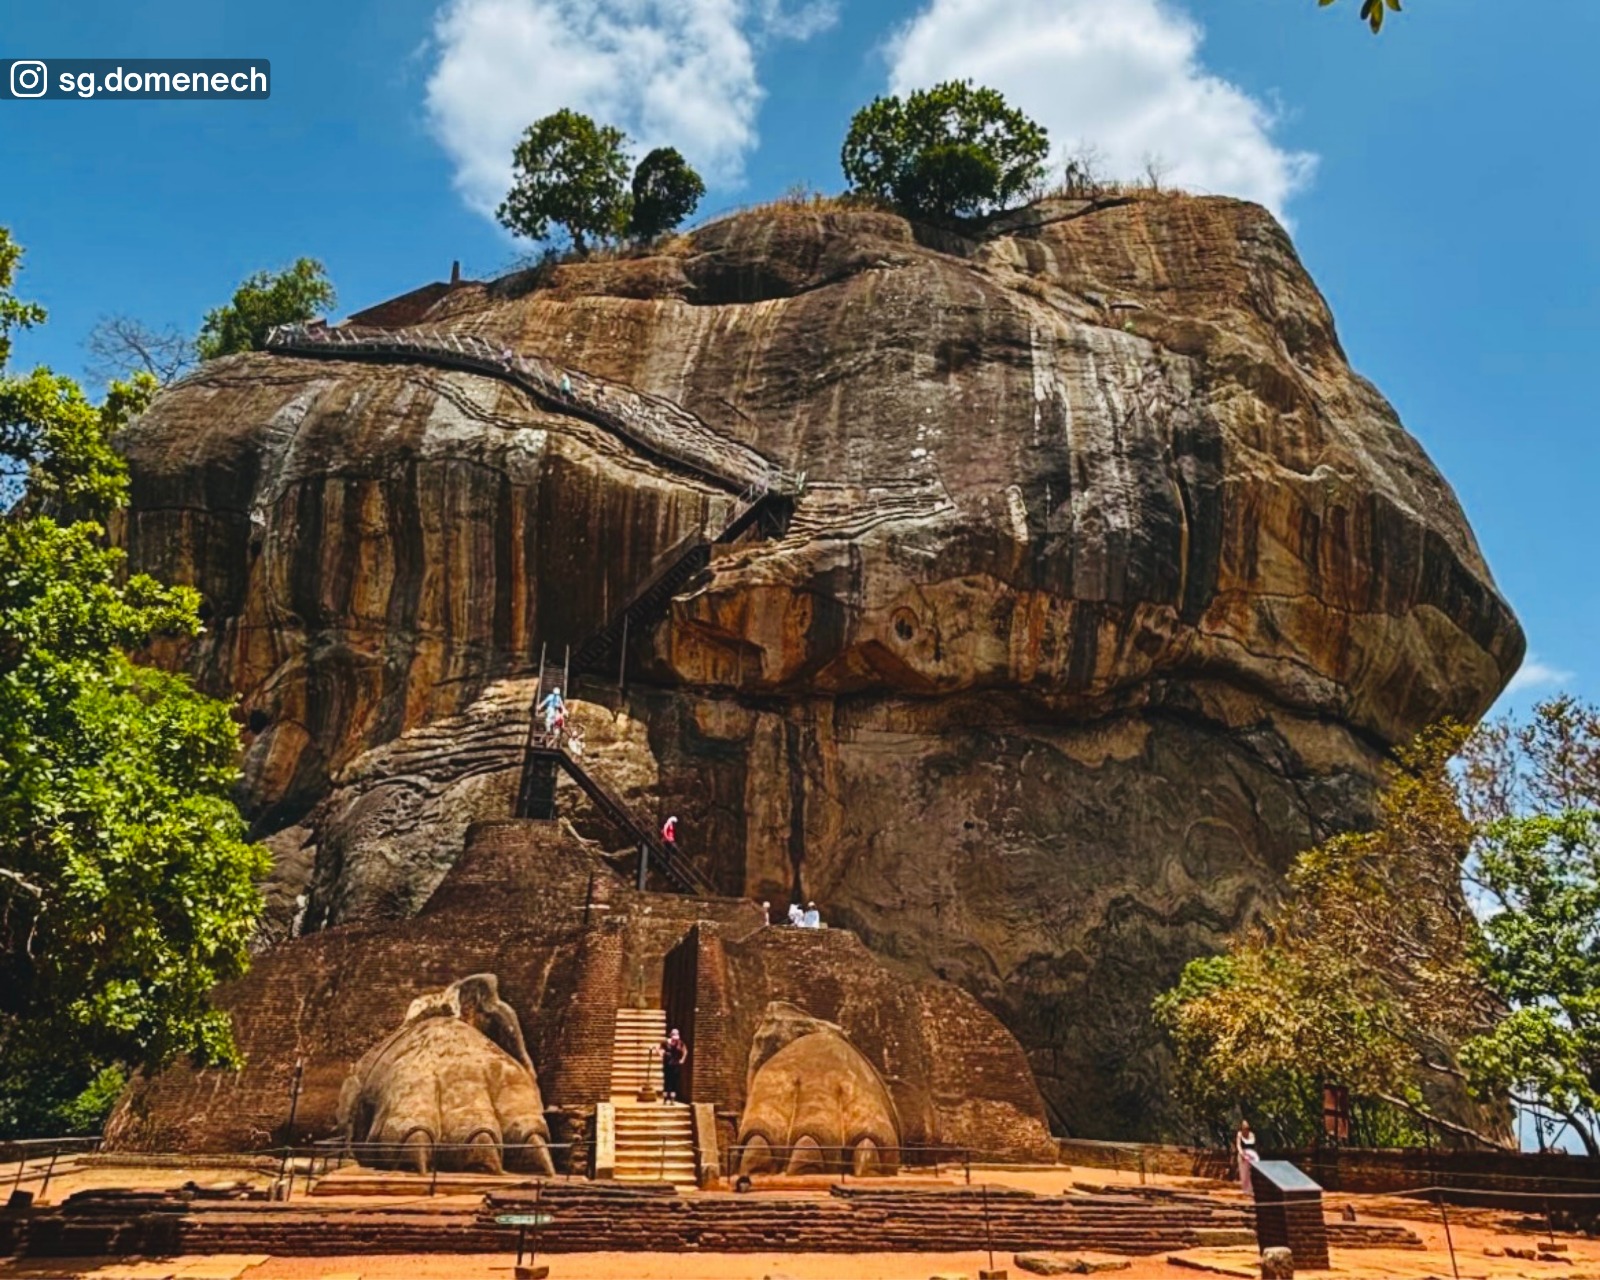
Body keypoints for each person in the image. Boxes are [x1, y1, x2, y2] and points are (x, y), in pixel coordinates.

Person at [659, 1029, 688, 1104]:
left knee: (674, 1081)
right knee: (667, 1080)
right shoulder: (665, 1043)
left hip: (675, 1064)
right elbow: (660, 1050)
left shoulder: (680, 1043)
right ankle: (665, 1097)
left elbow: (685, 1051)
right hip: (667, 1064)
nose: (675, 1041)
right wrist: (661, 1054)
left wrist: (682, 1059)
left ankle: (672, 1098)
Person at [1235, 1119, 1258, 1194]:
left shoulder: (1252, 1134)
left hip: (1252, 1155)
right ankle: (1246, 1189)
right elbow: (1238, 1145)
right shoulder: (1239, 1134)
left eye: (1247, 1127)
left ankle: (1253, 1188)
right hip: (1243, 1154)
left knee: (1253, 1172)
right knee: (1244, 1173)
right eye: (1244, 1127)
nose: (1245, 1128)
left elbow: (1254, 1145)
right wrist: (1242, 1154)